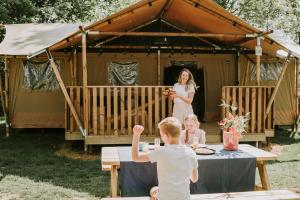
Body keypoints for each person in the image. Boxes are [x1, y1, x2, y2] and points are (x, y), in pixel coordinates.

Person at [132, 117, 199, 200]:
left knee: (153, 190)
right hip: (184, 198)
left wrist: (136, 135)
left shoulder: (161, 152)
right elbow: (194, 179)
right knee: (155, 190)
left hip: (165, 198)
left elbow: (135, 157)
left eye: (161, 135)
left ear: (166, 135)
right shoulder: (191, 152)